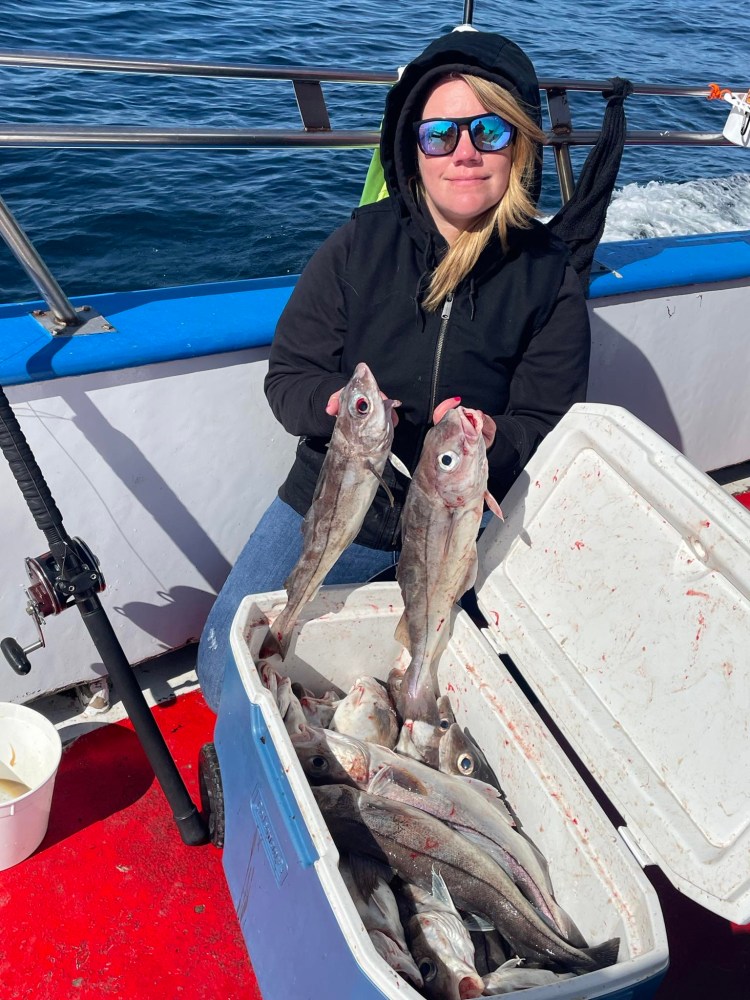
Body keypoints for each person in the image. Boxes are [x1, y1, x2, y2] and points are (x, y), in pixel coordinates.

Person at [196, 29, 591, 712]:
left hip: (463, 517)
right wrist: (332, 405)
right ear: (413, 148)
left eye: (488, 130)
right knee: (223, 668)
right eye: (440, 134)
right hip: (340, 494)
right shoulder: (358, 246)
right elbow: (288, 374)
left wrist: (498, 435)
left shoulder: (548, 276)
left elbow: (548, 414)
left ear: (518, 146)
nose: (463, 152)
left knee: (501, 700)